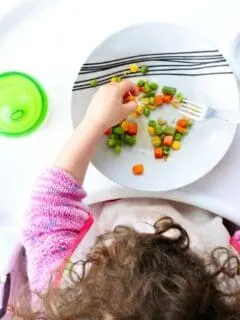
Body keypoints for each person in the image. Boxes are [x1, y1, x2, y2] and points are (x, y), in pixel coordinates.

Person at [14, 80, 240, 319]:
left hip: (110, 199)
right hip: (208, 201)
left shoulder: (53, 289)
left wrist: (93, 124)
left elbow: (50, 205)